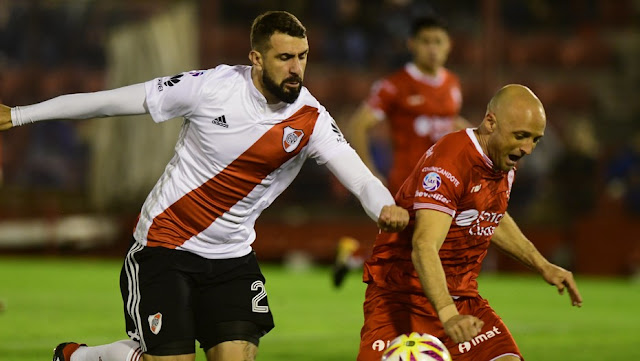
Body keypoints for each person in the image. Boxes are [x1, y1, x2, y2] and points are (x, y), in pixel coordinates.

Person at [0, 11, 409, 361]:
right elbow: (108, 102)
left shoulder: (311, 119)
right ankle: (83, 356)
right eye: (284, 57)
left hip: (231, 258)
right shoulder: (209, 88)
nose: (295, 68)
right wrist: (19, 115)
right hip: (165, 248)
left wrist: (384, 207)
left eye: (302, 57)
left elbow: (357, 175)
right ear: (255, 57)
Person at [357, 84, 583, 361]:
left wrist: (542, 265)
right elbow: (424, 245)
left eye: (536, 139)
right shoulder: (451, 161)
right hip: (402, 298)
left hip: (463, 299)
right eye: (521, 136)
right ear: (490, 122)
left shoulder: (502, 162)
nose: (527, 148)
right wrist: (448, 315)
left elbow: (490, 217)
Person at [332, 14, 467, 287]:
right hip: (408, 182)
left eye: (438, 42)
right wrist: (370, 173)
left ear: (449, 45)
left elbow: (451, 123)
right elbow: (359, 124)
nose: (432, 48)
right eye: (426, 41)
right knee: (414, 252)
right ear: (412, 44)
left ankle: (353, 256)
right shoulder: (395, 85)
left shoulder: (452, 84)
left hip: (444, 182)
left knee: (406, 252)